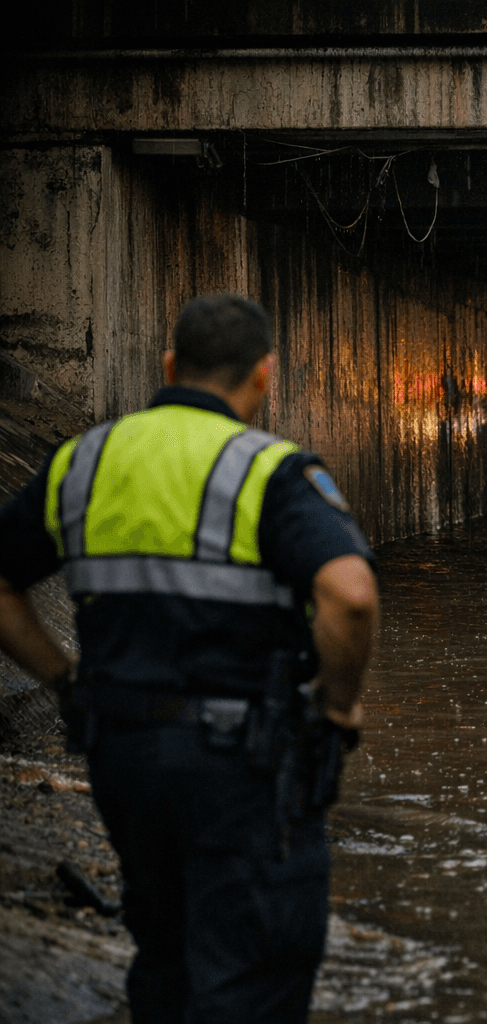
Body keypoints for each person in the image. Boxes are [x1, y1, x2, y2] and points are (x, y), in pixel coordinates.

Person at [0, 294, 379, 1023]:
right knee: (253, 968)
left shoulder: (86, 460)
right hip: (240, 762)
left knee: (165, 957)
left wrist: (63, 680)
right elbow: (351, 595)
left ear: (170, 364)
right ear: (264, 376)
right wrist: (336, 704)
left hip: (121, 754)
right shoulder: (266, 471)